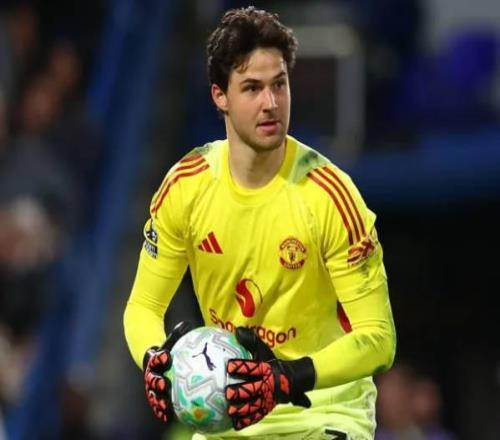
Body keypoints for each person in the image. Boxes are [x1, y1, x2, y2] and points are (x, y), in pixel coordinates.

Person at [123, 6, 396, 440]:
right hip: (228, 417)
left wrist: (285, 378)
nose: (270, 104)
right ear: (220, 96)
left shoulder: (329, 195)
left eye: (279, 85)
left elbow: (379, 339)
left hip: (322, 414)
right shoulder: (186, 187)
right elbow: (143, 307)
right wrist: (153, 361)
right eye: (252, 88)